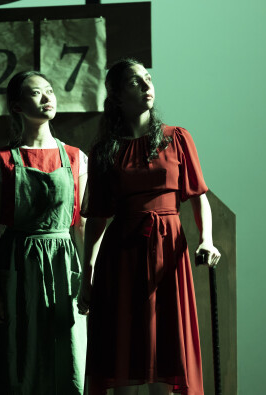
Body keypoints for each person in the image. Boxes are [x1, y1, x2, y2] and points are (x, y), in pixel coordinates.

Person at [78, 58, 221, 395]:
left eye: (148, 79)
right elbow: (97, 218)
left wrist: (207, 240)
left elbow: (198, 196)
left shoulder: (177, 138)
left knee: (165, 349)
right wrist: (87, 277)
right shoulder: (104, 150)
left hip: (168, 251)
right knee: (124, 352)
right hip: (122, 255)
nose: (146, 86)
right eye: (135, 82)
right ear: (116, 96)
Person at [0, 71, 88, 394]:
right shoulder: (0, 161)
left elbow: (81, 225)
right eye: (36, 93)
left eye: (49, 90)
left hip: (62, 265)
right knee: (18, 360)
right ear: (17, 106)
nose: (47, 97)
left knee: (65, 357)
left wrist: (89, 279)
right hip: (17, 266)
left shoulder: (75, 157)